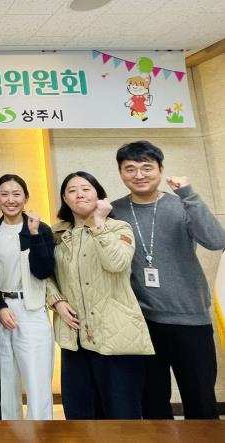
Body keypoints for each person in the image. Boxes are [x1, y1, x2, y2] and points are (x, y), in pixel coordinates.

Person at [111, 140, 225, 419]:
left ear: (161, 170)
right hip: (143, 322)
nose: (139, 175)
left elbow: (216, 240)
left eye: (147, 167)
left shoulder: (183, 205)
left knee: (200, 400)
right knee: (152, 403)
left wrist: (189, 194)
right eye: (130, 169)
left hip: (190, 319)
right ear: (121, 173)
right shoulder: (114, 211)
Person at [46, 171, 154, 419]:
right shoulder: (57, 234)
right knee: (80, 415)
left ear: (99, 195)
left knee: (122, 416)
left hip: (115, 335)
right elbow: (43, 275)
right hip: (74, 337)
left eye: (86, 189)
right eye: (72, 190)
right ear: (65, 199)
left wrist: (99, 224)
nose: (79, 194)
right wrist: (56, 301)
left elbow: (117, 263)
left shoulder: (118, 227)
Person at [0, 174, 55, 420]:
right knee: (4, 383)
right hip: (0, 312)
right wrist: (0, 306)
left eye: (16, 194)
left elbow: (44, 271)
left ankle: (41, 433)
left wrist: (35, 235)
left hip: (31, 310)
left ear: (26, 197)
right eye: (4, 194)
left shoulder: (40, 228)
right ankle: (9, 433)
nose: (11, 199)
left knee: (37, 383)